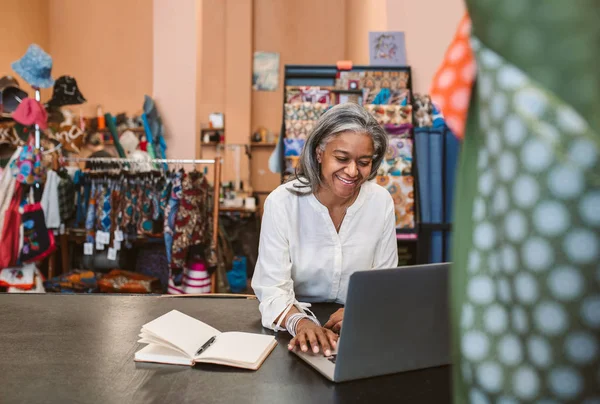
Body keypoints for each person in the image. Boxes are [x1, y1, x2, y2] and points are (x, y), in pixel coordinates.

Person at [251, 103, 398, 357]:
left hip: (356, 329)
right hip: (292, 325)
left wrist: (361, 309)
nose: (353, 171)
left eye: (364, 162)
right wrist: (300, 323)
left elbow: (385, 281)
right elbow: (271, 288)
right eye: (341, 159)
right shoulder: (282, 203)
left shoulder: (380, 202)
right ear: (319, 153)